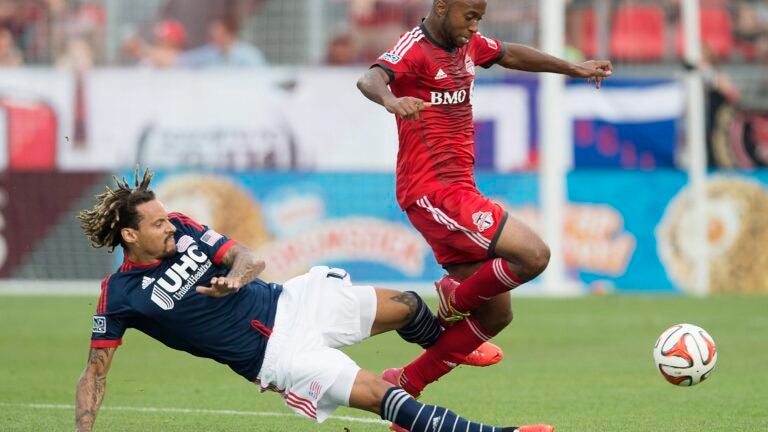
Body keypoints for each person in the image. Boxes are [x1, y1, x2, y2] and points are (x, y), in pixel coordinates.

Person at [74, 167, 554, 432]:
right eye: (157, 224)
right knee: (384, 397)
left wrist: (237, 278)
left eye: (166, 218)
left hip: (293, 300)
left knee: (407, 304)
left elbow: (246, 255)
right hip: (279, 356)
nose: (169, 225)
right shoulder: (119, 297)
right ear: (130, 234)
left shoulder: (183, 225)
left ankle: (449, 349)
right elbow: (95, 373)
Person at [356, 0, 612, 402]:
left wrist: (573, 67)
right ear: (442, 7)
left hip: (458, 190)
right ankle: (454, 298)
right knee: (534, 256)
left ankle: (404, 385)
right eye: (469, 16)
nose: (475, 27)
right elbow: (370, 79)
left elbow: (509, 52)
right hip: (433, 191)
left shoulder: (468, 44)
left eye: (480, 18)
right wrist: (391, 101)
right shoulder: (413, 48)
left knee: (497, 313)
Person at [177, 15, 267, 67]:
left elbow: (260, 77)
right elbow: (186, 60)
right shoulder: (210, 52)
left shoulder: (249, 54)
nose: (215, 39)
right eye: (212, 36)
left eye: (219, 35)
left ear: (230, 35)